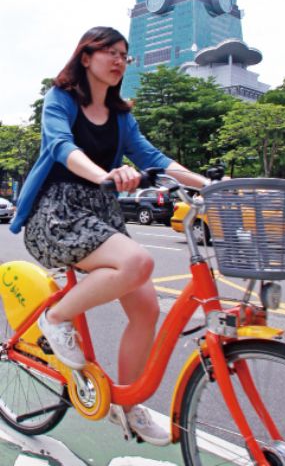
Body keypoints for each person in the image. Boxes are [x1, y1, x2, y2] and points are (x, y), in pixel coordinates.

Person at [10, 26, 207, 445]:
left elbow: (152, 157)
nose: (119, 61)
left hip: (101, 213)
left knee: (146, 309)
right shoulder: (59, 100)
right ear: (86, 57)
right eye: (109, 52)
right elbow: (62, 147)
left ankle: (128, 407)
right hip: (57, 212)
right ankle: (56, 318)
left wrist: (208, 184)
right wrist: (107, 175)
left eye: (125, 55)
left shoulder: (121, 115)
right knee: (138, 262)